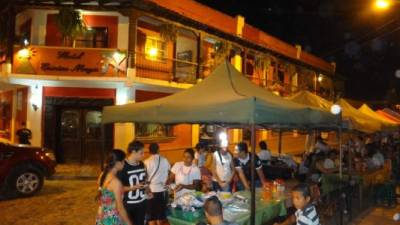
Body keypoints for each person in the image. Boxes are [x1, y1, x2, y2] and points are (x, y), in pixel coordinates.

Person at [117, 140, 151, 225]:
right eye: (141, 153)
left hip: (142, 203)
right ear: (133, 152)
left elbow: (145, 180)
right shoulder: (123, 166)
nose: (144, 155)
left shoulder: (142, 164)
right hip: (128, 205)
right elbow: (118, 188)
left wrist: (148, 190)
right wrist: (133, 187)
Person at [96, 149, 132, 225]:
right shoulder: (116, 182)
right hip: (113, 219)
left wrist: (133, 187)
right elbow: (120, 207)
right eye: (123, 161)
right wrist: (128, 223)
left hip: (102, 216)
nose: (124, 164)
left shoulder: (102, 175)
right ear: (118, 163)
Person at [144, 143, 170, 225]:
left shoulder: (146, 162)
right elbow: (169, 172)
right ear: (158, 150)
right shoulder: (164, 160)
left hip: (150, 191)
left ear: (149, 151)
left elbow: (145, 178)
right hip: (161, 190)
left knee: (151, 216)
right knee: (160, 216)